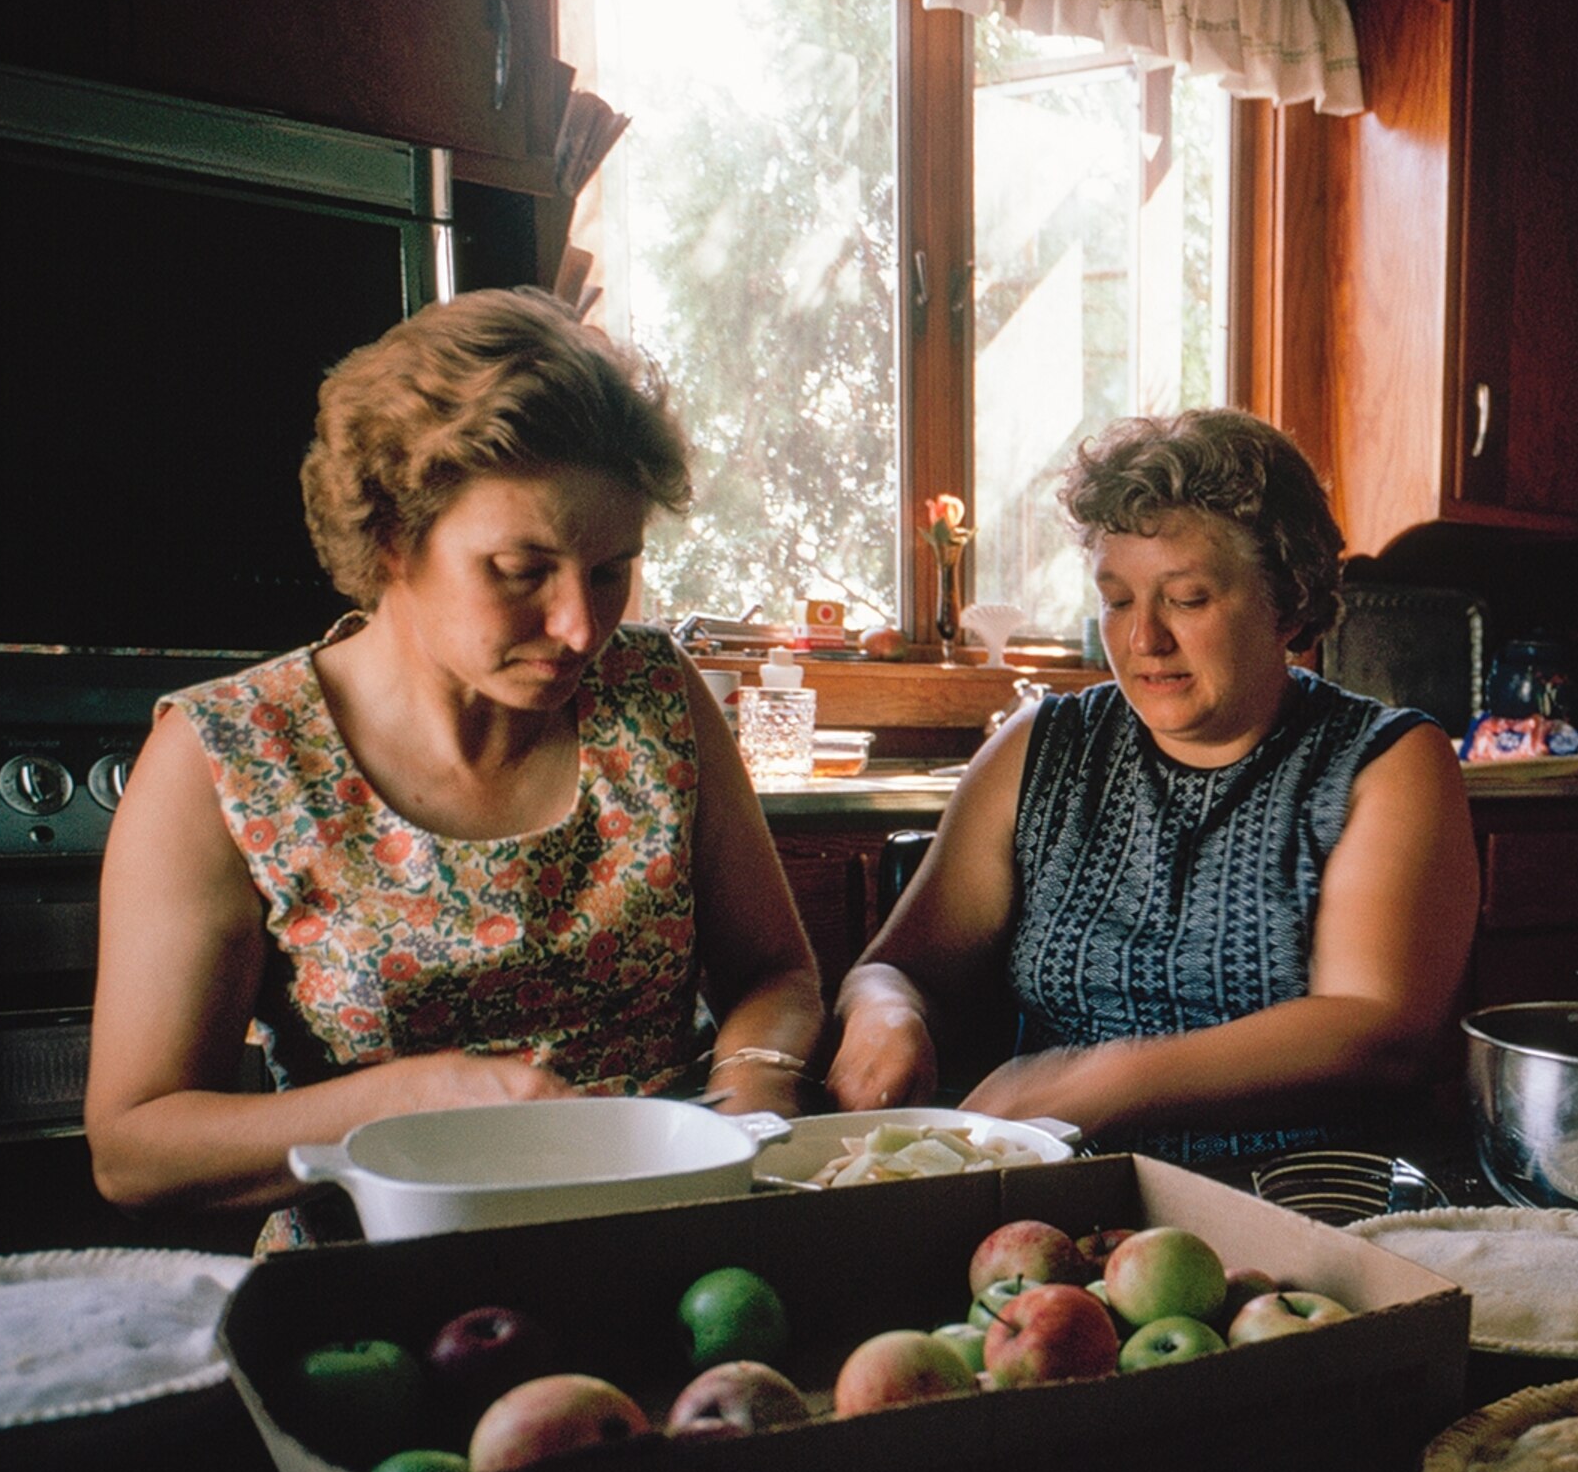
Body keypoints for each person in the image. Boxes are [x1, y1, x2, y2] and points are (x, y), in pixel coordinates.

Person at [87, 289, 822, 1235]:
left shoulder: (654, 696)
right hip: (386, 1286)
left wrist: (748, 1099)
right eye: (521, 572)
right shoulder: (229, 754)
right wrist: (406, 1102)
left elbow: (775, 971)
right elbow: (135, 1148)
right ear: (393, 539)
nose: (579, 625)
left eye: (611, 571)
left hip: (669, 1234)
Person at [826, 408, 1478, 1162]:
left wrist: (1102, 1081)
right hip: (1064, 1196)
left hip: (1310, 1198)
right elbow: (898, 967)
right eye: (1118, 599)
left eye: (1187, 598)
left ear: (1290, 600)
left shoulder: (1385, 762)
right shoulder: (1044, 747)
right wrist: (885, 1012)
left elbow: (1377, 1029)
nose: (1144, 639)